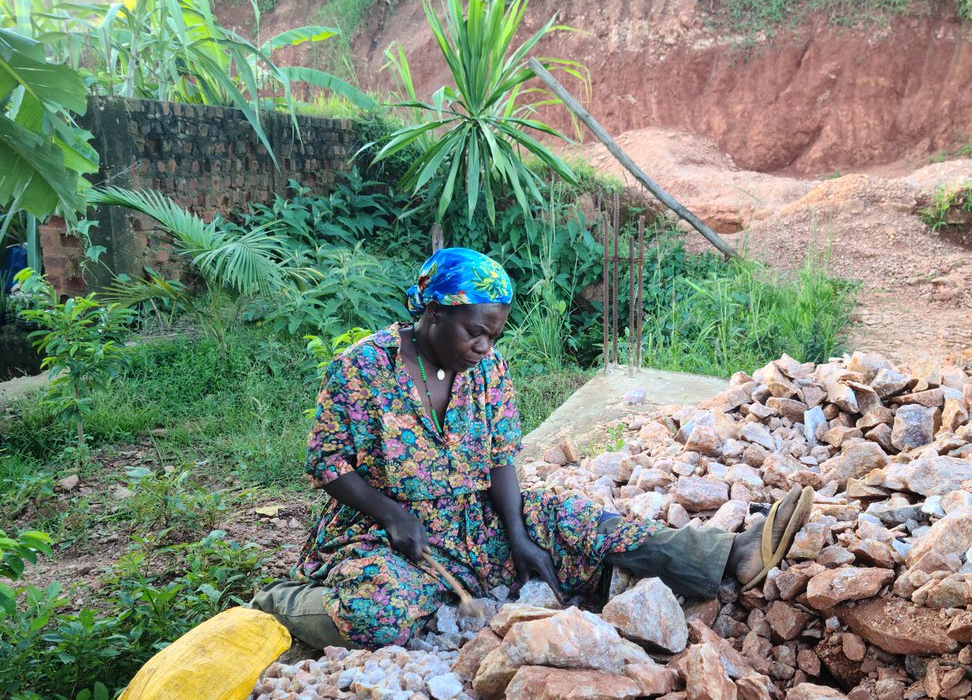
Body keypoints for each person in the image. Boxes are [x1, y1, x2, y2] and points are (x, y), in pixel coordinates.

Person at [252, 248, 806, 650]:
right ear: (434, 312)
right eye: (475, 331)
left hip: (472, 520)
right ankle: (279, 599)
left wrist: (516, 533)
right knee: (378, 611)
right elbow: (327, 462)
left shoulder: (487, 369)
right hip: (385, 531)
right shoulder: (362, 368)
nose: (484, 346)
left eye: (494, 334)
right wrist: (393, 514)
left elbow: (500, 458)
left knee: (571, 521)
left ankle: (724, 556)